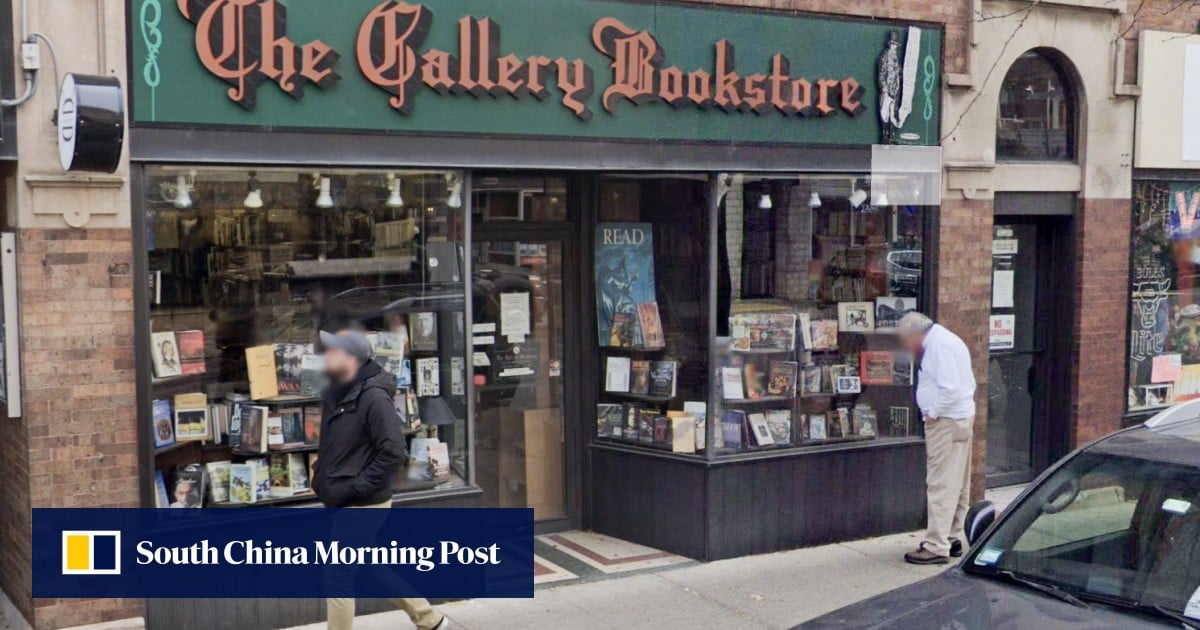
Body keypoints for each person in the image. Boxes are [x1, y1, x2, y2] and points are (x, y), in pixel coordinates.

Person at [311, 329, 454, 630]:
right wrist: (321, 475)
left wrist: (357, 486)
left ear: (351, 359)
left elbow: (393, 450)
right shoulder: (339, 392)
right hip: (343, 498)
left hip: (362, 503)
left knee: (338, 576)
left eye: (333, 351)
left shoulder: (373, 396)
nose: (327, 356)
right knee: (366, 566)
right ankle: (430, 619)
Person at [896, 312, 977, 565]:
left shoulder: (936, 347)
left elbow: (949, 387)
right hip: (960, 418)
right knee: (958, 482)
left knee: (940, 482)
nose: (906, 346)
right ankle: (951, 537)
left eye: (905, 341)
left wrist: (933, 413)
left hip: (946, 421)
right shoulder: (946, 339)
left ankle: (936, 545)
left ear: (915, 335)